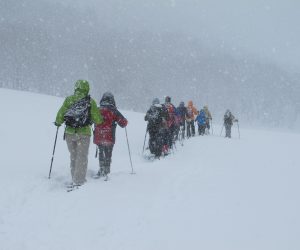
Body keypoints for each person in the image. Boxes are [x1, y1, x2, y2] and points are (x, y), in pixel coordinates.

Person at [55, 80, 103, 186]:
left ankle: (74, 178)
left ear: (76, 87)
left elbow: (60, 114)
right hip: (84, 134)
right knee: (82, 157)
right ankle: (79, 181)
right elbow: (98, 120)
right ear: (87, 88)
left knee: (74, 156)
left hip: (69, 133)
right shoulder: (90, 101)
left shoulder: (69, 100)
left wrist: (58, 123)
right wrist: (98, 119)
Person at [93, 92, 128, 177]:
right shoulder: (114, 111)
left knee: (101, 152)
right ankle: (106, 170)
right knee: (108, 154)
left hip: (99, 136)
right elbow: (123, 123)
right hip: (109, 136)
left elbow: (91, 120)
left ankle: (101, 169)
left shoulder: (97, 109)